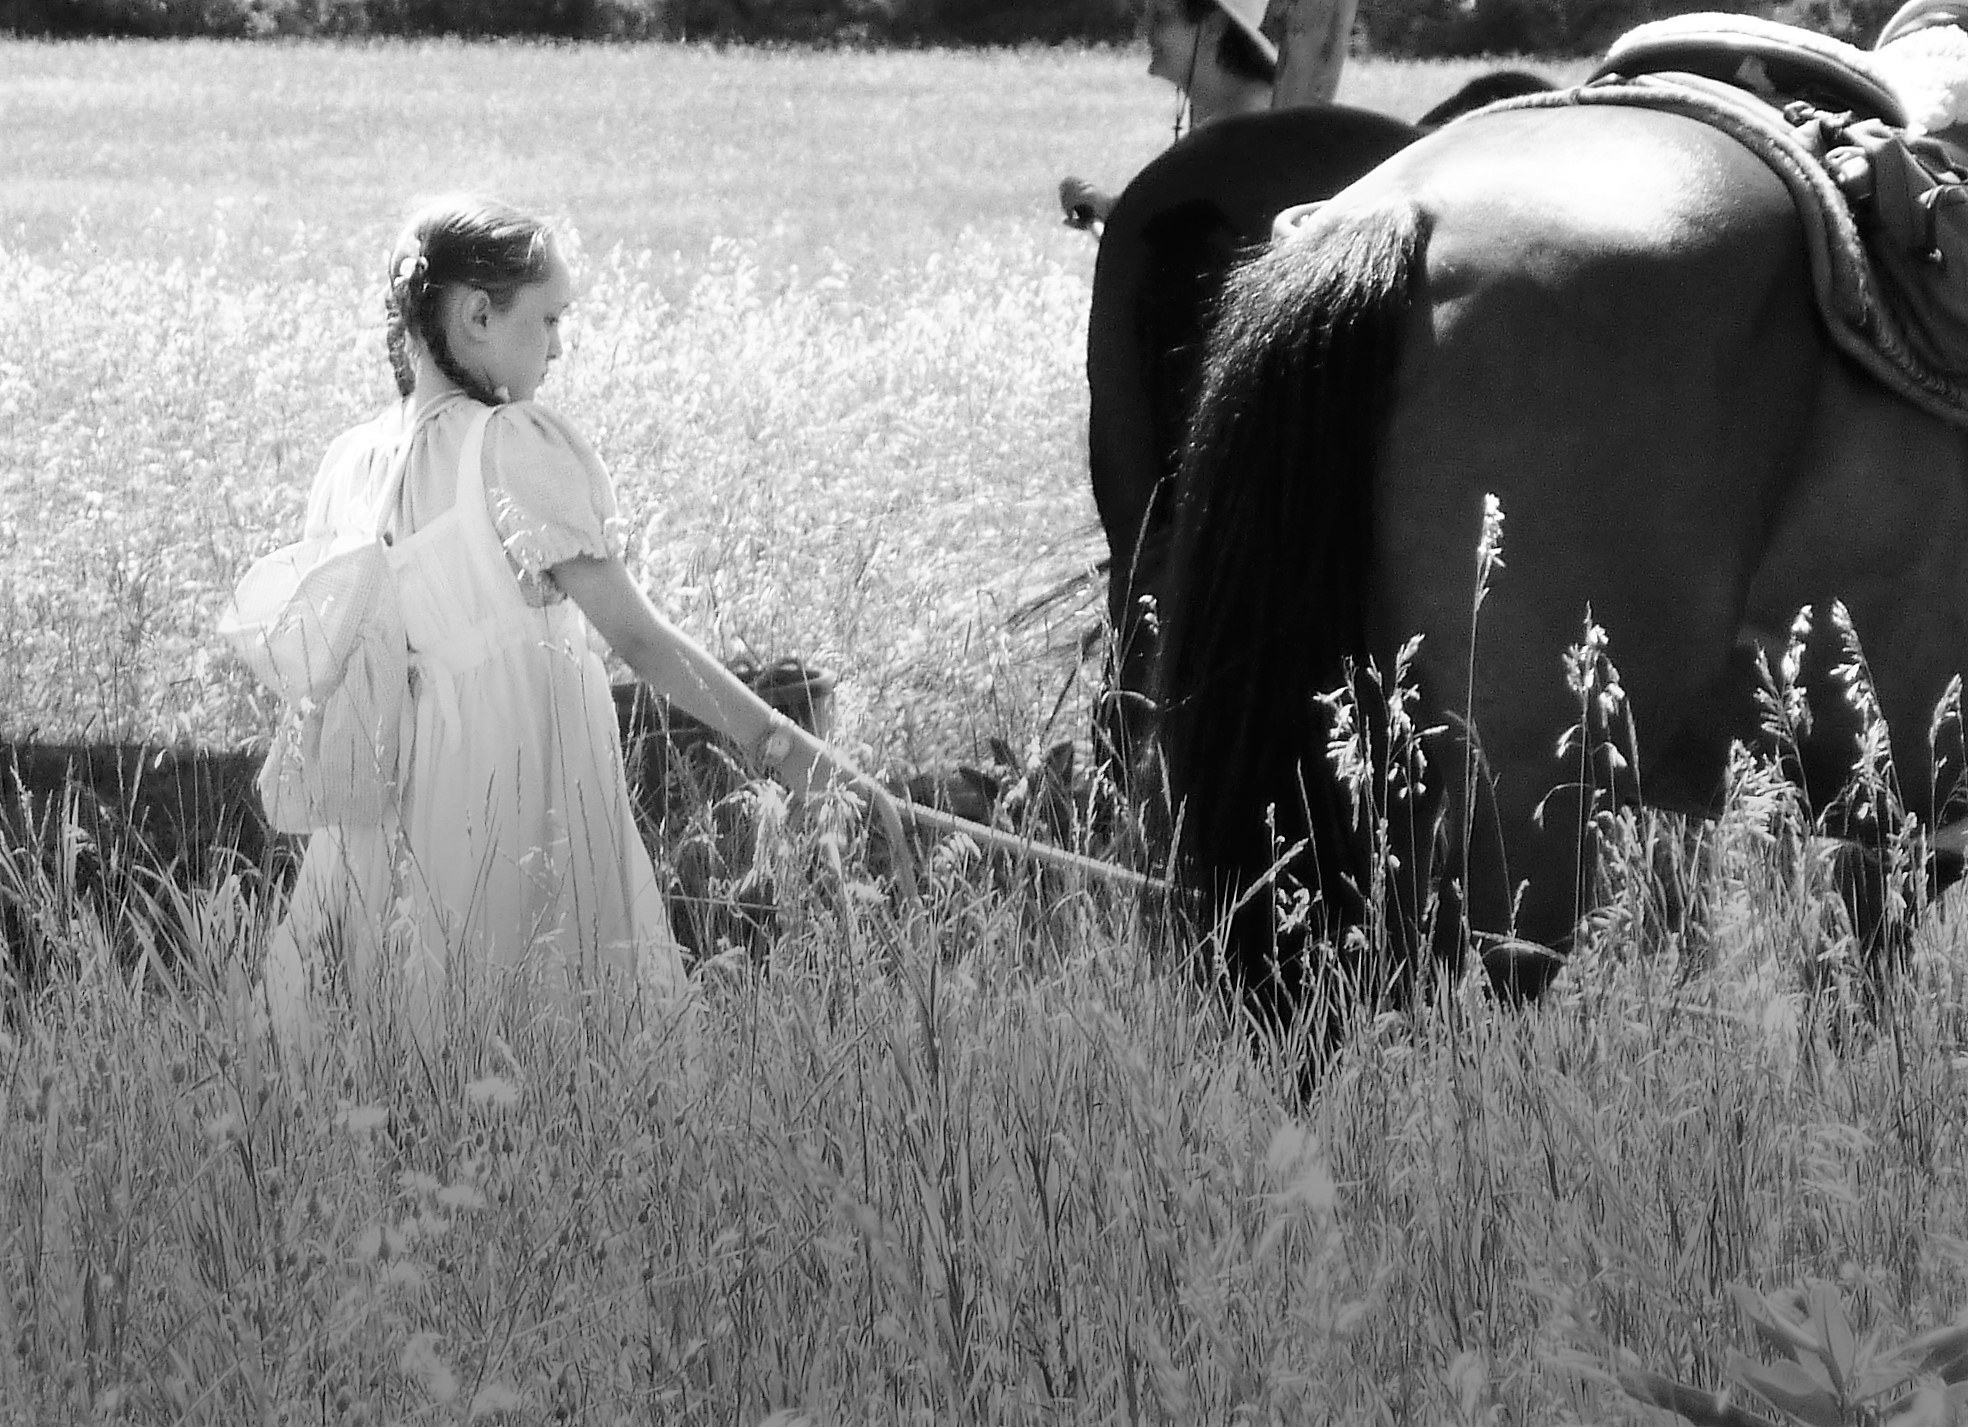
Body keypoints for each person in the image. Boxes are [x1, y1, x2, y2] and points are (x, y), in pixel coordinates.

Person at [258, 195, 908, 1050]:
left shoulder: (352, 462)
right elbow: (638, 639)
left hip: (392, 815)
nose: (560, 345)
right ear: (477, 314)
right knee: (550, 1031)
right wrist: (791, 752)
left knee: (415, 1042)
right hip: (514, 792)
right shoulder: (509, 446)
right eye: (550, 318)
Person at [1058, 0, 1278, 235]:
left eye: (1161, 17)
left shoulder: (1242, 132)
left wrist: (1112, 211)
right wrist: (1107, 208)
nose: (1142, 29)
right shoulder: (1238, 119)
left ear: (1214, 27)